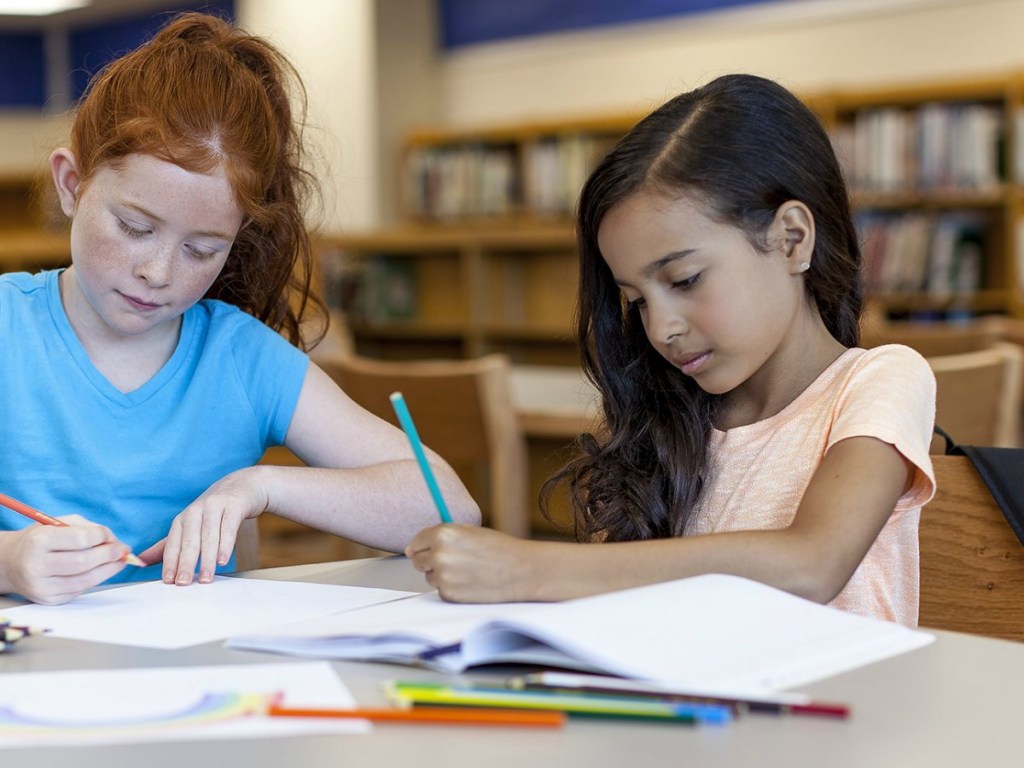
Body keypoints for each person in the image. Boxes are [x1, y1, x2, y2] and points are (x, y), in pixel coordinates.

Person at [407, 74, 936, 626]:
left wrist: (527, 567)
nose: (661, 329)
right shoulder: (670, 416)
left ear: (792, 238)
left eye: (684, 280)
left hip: (841, 705)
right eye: (636, 301)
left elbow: (813, 564)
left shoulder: (880, 378)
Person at [0, 12, 479, 606]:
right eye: (133, 226)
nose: (159, 272)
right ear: (72, 185)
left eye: (203, 249)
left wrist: (263, 485)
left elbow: (450, 509)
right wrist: (8, 563)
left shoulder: (241, 356)